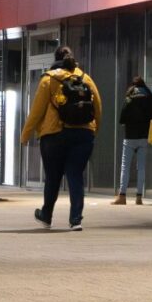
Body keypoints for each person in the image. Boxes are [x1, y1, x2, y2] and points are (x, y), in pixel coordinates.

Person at [21, 44, 102, 230]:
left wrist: (25, 135)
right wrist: (93, 130)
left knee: (53, 176)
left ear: (55, 59)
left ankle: (46, 216)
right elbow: (98, 107)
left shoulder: (49, 79)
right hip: (83, 134)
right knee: (75, 174)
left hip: (54, 135)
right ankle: (76, 220)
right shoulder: (86, 78)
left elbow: (37, 111)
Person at [112, 75, 152, 205]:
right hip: (143, 137)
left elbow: (122, 119)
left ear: (133, 86)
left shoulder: (129, 98)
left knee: (125, 167)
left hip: (129, 137)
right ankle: (139, 197)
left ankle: (122, 196)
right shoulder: (149, 98)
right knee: (141, 167)